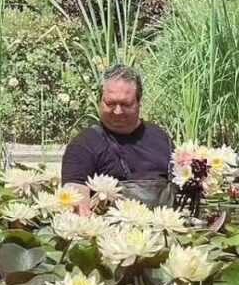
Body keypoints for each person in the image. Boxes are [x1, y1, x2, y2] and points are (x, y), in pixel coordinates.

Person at [61, 64, 174, 208]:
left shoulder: (160, 139)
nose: (118, 111)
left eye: (126, 104)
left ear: (139, 102)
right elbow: (76, 201)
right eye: (110, 103)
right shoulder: (83, 146)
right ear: (99, 101)